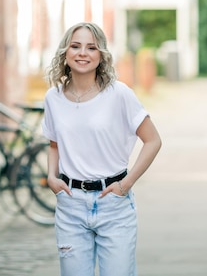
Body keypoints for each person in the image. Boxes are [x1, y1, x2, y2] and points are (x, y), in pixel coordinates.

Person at [42, 22, 162, 276]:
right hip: (70, 204)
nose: (82, 53)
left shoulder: (119, 94)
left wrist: (126, 184)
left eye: (91, 47)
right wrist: (52, 177)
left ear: (101, 55)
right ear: (65, 51)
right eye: (75, 46)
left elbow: (153, 141)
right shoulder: (53, 98)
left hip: (113, 204)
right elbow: (54, 144)